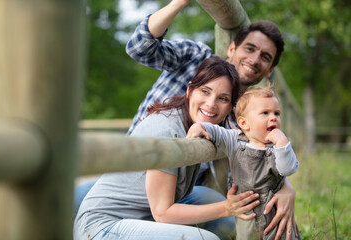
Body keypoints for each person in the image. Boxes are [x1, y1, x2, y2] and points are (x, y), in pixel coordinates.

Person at [124, 1, 296, 239]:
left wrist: (287, 187)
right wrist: (179, 2)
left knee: (227, 224)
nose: (255, 59)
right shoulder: (195, 57)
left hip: (179, 194)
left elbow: (260, 157)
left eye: (265, 57)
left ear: (269, 70)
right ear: (232, 48)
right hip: (132, 175)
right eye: (249, 48)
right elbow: (138, 48)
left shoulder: (246, 116)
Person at [74, 57, 261, 240]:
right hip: (101, 227)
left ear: (230, 107)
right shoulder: (166, 128)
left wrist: (284, 186)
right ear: (190, 90)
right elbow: (162, 213)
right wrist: (227, 208)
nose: (211, 103)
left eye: (223, 98)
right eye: (205, 91)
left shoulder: (207, 127)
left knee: (215, 209)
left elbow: (254, 140)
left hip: (140, 220)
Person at [187, 85, 300, 239]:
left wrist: (282, 142)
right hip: (246, 211)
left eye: (277, 113)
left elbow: (287, 169)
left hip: (273, 211)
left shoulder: (279, 146)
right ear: (244, 123)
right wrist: (199, 126)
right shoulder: (234, 140)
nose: (273, 117)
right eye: (265, 113)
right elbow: (216, 131)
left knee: (282, 235)